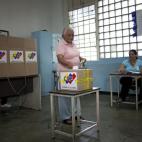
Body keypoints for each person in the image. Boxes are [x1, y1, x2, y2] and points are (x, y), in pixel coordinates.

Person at [56, 27, 86, 124]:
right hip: (65, 74)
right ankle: (66, 117)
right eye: (69, 35)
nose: (71, 37)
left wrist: (81, 58)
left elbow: (75, 55)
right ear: (63, 35)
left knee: (76, 94)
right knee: (65, 96)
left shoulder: (73, 44)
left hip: (75, 73)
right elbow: (60, 58)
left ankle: (76, 114)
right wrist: (68, 64)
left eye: (73, 35)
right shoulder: (61, 45)